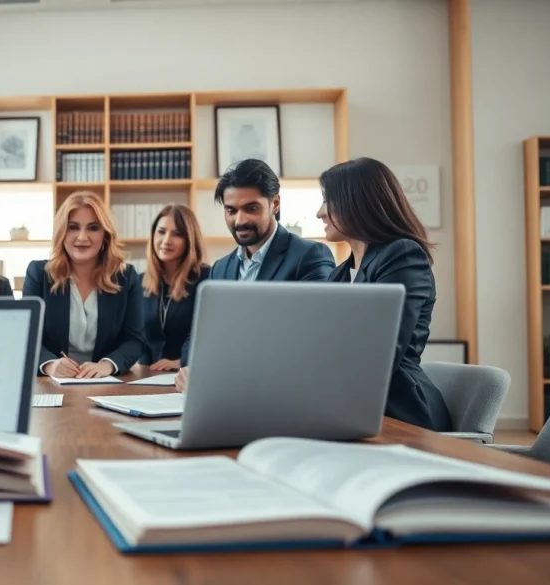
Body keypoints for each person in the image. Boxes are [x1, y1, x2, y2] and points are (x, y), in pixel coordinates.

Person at [317, 157, 453, 432]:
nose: (320, 212)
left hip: (400, 410)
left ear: (356, 202)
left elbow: (382, 353)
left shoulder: (401, 254)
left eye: (327, 201)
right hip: (350, 405)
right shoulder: (338, 274)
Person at [175, 158, 335, 391]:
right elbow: (200, 333)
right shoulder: (220, 268)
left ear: (275, 204)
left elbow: (315, 336)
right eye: (231, 210)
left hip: (283, 391)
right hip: (222, 392)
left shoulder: (309, 256)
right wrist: (191, 369)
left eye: (251, 208)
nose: (240, 221)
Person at [23, 191, 148, 379]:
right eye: (73, 227)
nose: (82, 237)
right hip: (52, 383)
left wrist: (108, 365)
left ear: (105, 235)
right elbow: (27, 335)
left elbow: (135, 341)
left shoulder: (126, 277)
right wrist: (49, 365)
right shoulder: (39, 274)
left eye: (93, 228)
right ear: (61, 233)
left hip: (106, 383)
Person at [139, 204, 210, 372]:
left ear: (190, 240)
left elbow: (214, 335)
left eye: (177, 234)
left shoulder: (207, 279)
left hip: (190, 374)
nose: (166, 241)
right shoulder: (140, 282)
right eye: (161, 232)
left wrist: (182, 362)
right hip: (148, 376)